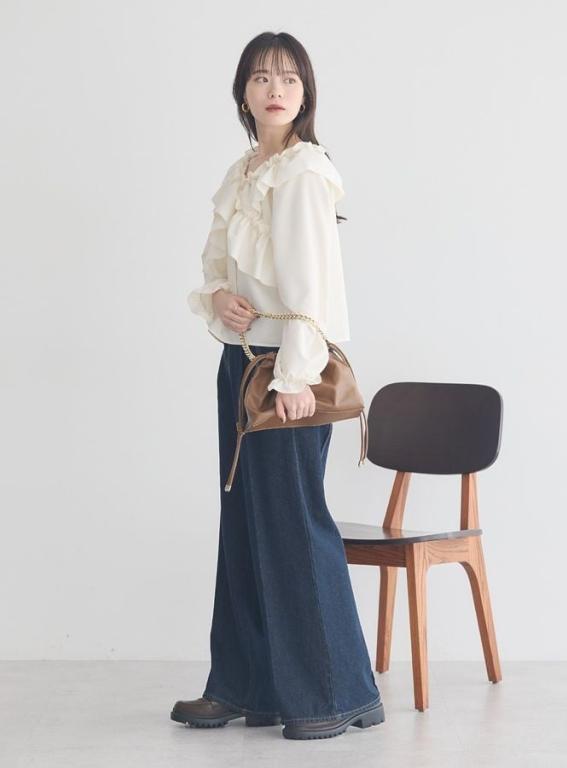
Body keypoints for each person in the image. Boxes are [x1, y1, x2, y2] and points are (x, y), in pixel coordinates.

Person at [172, 31, 385, 741]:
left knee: (293, 526)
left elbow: (312, 286)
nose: (275, 89)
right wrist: (219, 300)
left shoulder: (302, 172)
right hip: (240, 363)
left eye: (289, 78)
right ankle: (246, 686)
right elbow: (217, 264)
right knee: (244, 527)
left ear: (306, 93)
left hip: (284, 370)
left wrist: (297, 373)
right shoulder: (243, 173)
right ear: (243, 92)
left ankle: (335, 693)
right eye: (261, 77)